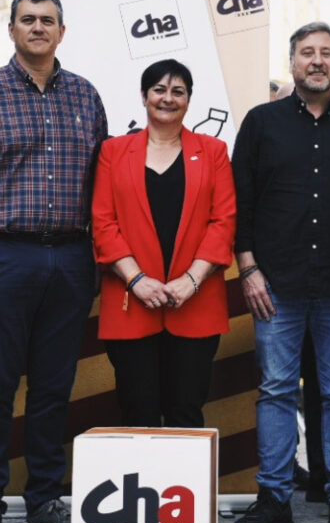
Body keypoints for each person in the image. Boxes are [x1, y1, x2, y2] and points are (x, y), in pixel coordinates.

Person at [0, 0, 108, 523]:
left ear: (62, 31)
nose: (38, 27)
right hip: (5, 256)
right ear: (11, 29)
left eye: (48, 20)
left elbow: (104, 181)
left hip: (71, 256)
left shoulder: (85, 96)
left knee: (53, 387)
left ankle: (43, 500)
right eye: (28, 19)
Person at [230, 23, 330, 523]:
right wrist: (248, 268)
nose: (316, 61)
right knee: (276, 391)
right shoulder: (261, 122)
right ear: (292, 62)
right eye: (306, 53)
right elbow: (240, 201)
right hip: (276, 284)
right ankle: (274, 497)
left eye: (326, 53)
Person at [91, 59, 236, 426]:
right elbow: (103, 223)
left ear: (189, 99)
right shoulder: (113, 152)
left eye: (178, 91)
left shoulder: (214, 151)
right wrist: (137, 280)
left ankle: (183, 472)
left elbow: (223, 222)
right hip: (131, 302)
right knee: (137, 410)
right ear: (144, 96)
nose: (168, 98)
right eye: (159, 90)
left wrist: (191, 280)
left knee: (186, 411)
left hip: (195, 301)